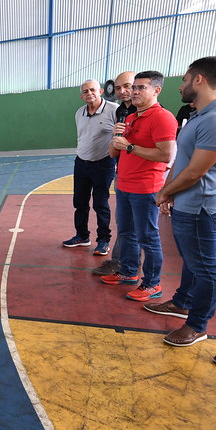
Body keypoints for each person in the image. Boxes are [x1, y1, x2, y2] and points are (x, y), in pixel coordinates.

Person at [147, 56, 216, 343]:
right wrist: (170, 191)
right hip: (188, 203)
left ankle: (198, 324)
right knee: (192, 260)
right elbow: (183, 161)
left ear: (199, 79)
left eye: (185, 79)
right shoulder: (200, 114)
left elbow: (197, 171)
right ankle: (182, 302)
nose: (180, 86)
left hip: (202, 208)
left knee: (204, 268)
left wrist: (165, 192)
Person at [101, 70, 177, 299]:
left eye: (140, 87)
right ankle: (128, 271)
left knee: (148, 237)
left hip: (145, 188)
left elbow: (166, 155)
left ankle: (153, 283)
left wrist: (130, 147)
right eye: (133, 87)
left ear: (157, 90)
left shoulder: (162, 117)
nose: (133, 92)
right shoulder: (131, 118)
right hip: (124, 185)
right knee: (126, 233)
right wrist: (116, 139)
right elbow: (113, 152)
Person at [64, 80, 117, 254]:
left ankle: (103, 240)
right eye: (85, 91)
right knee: (79, 202)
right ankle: (82, 236)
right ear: (81, 95)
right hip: (81, 163)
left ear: (101, 91)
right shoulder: (79, 113)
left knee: (100, 204)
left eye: (93, 90)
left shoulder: (113, 110)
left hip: (103, 163)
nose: (89, 93)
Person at [94, 71, 139, 276]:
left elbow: (165, 153)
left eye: (127, 86)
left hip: (142, 178)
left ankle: (130, 268)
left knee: (140, 228)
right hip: (123, 172)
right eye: (119, 88)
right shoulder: (122, 111)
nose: (122, 91)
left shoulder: (151, 114)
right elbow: (116, 148)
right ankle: (121, 262)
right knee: (125, 223)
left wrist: (128, 147)